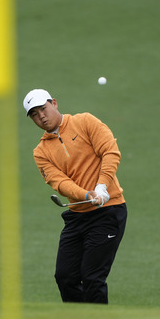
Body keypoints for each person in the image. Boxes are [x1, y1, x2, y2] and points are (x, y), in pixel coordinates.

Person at [23, 88, 128, 304]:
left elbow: (110, 151)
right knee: (65, 277)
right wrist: (86, 194)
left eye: (43, 109)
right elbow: (59, 182)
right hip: (77, 216)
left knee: (92, 277)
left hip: (107, 212)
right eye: (34, 114)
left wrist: (101, 187)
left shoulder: (85, 122)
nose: (41, 116)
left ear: (54, 103)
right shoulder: (40, 151)